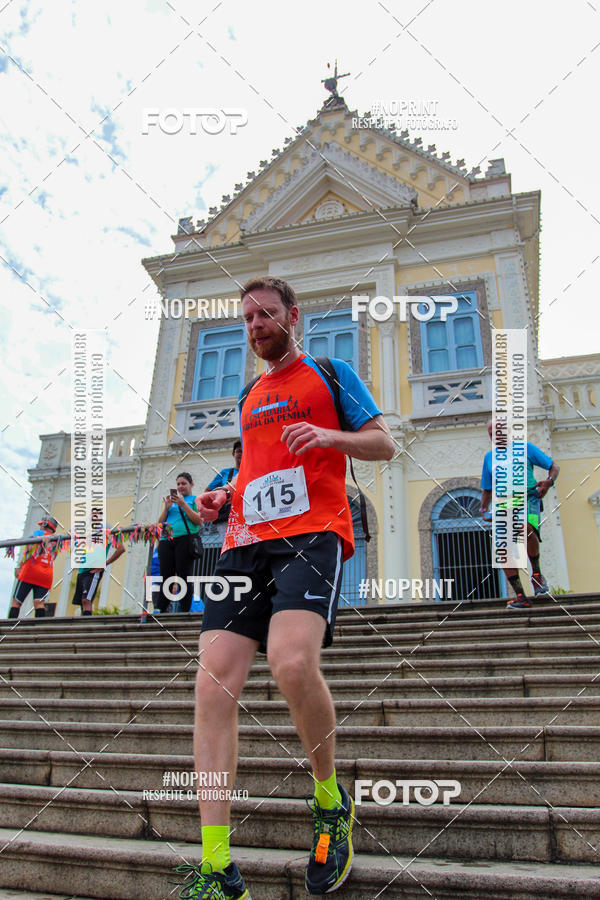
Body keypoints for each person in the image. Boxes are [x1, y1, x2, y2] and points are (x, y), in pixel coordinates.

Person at [172, 276, 394, 899]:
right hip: (244, 542)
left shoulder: (329, 372)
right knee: (212, 684)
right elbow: (251, 471)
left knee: (291, 662)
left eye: (266, 314)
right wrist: (223, 497)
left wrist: (330, 437)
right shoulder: (247, 395)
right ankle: (219, 869)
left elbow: (384, 443)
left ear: (293, 316)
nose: (255, 325)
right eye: (246, 318)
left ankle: (329, 800)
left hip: (312, 533)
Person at [480, 420, 560, 609]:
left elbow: (554, 467)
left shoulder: (526, 448)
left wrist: (549, 482)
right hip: (503, 504)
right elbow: (487, 488)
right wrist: (484, 508)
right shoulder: (489, 457)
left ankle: (537, 574)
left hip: (527, 498)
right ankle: (520, 596)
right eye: (491, 433)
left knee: (526, 528)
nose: (495, 436)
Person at [156, 472, 202, 613]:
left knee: (184, 576)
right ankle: (160, 608)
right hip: (167, 540)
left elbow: (198, 520)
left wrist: (183, 504)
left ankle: (185, 609)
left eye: (184, 483)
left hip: (185, 540)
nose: (180, 486)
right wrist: (166, 508)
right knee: (166, 576)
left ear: (191, 484)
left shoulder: (194, 500)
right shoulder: (171, 503)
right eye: (178, 484)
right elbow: (160, 525)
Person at [8, 516, 58, 619]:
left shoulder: (38, 534)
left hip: (30, 572)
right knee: (39, 603)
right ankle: (39, 631)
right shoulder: (57, 541)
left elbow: (28, 551)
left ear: (45, 525)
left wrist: (19, 566)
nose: (40, 527)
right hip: (46, 574)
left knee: (16, 602)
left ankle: (9, 629)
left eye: (41, 525)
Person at [72, 524, 126, 615]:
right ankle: (83, 625)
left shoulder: (107, 529)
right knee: (82, 602)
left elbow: (121, 548)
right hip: (82, 570)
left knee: (86, 600)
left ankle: (87, 627)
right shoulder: (85, 531)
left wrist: (106, 563)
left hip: (93, 571)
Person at [205, 440, 242, 544]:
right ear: (233, 454)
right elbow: (208, 491)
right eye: (238, 451)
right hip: (227, 516)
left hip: (247, 515)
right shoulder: (225, 472)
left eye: (243, 451)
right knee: (229, 545)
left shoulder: (253, 470)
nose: (241, 454)